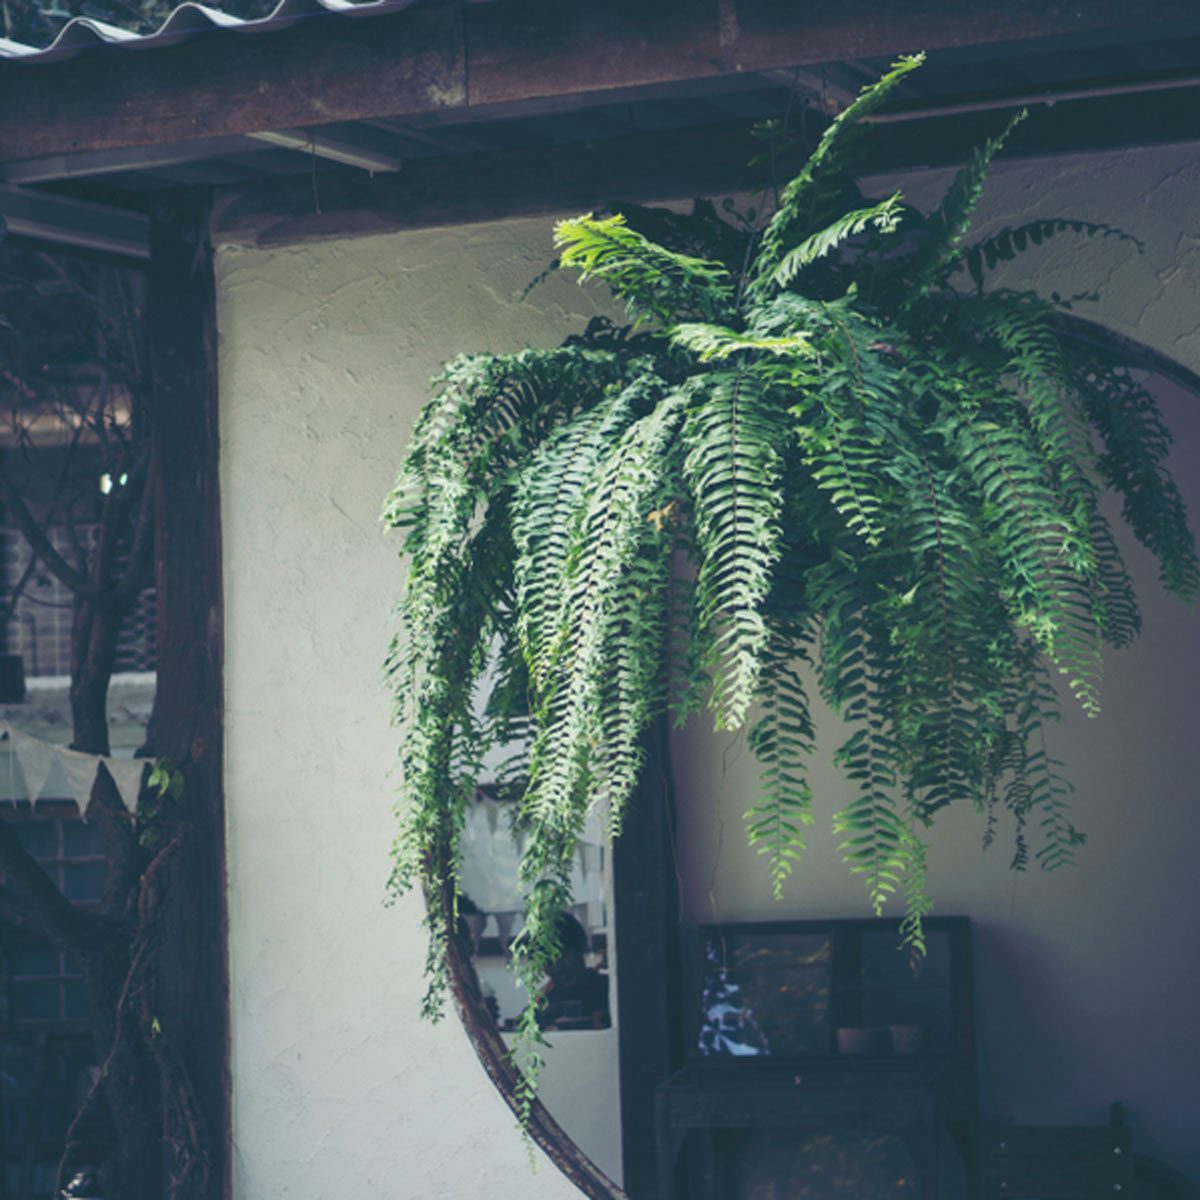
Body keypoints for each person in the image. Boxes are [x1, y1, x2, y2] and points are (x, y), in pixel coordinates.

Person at [537, 912, 610, 1030]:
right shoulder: (542, 1001)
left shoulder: (610, 992)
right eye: (548, 961)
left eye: (564, 956)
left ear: (581, 947)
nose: (557, 967)